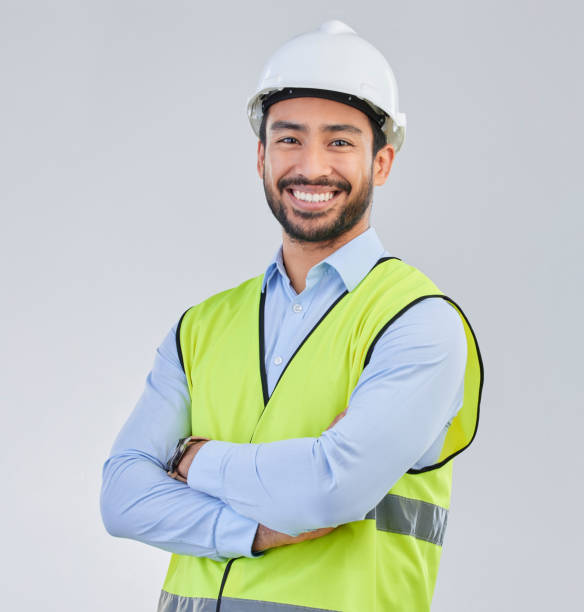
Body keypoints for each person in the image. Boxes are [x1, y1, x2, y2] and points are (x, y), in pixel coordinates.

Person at [100, 20, 483, 612]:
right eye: (288, 139)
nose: (311, 166)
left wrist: (193, 458)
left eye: (339, 141)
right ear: (260, 157)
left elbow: (330, 490)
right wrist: (251, 531)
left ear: (381, 162)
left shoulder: (416, 322)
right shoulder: (201, 326)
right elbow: (121, 497)